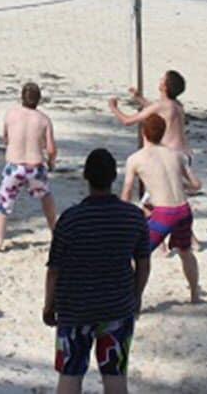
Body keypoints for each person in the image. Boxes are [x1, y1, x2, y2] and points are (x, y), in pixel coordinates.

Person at [43, 148, 151, 394]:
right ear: (114, 177)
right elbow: (143, 264)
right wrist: (136, 297)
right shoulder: (134, 217)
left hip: (74, 308)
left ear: (86, 176)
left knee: (70, 374)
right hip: (117, 305)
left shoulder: (70, 219)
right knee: (115, 375)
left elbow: (54, 271)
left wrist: (49, 306)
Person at [121, 114, 202, 303]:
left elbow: (126, 192)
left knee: (140, 255)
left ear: (143, 134)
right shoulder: (177, 155)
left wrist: (125, 213)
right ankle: (194, 295)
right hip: (183, 209)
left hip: (164, 214)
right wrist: (181, 186)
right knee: (185, 252)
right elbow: (197, 185)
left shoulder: (136, 159)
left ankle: (136, 301)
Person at [0, 82, 58, 251]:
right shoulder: (43, 119)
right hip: (35, 166)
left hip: (15, 165)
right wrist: (51, 162)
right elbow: (51, 149)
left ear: (21, 97)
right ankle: (55, 233)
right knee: (46, 199)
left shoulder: (11, 114)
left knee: (4, 203)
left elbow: (5, 138)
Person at [109, 70, 188, 157]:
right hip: (184, 153)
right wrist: (139, 98)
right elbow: (155, 108)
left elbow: (127, 121)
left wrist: (113, 108)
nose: (160, 79)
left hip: (171, 153)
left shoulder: (161, 105)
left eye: (163, 79)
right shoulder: (177, 104)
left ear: (164, 87)